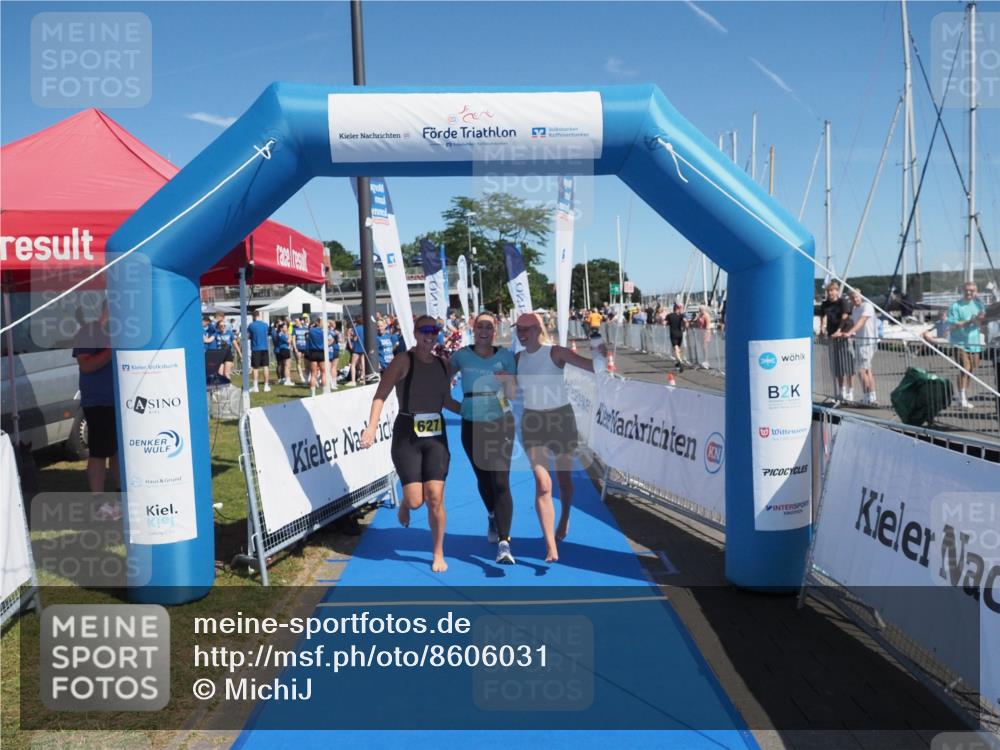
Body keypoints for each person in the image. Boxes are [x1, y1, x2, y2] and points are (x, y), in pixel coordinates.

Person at [360, 316, 461, 573]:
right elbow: (380, 394)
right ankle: (405, 503)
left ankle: (438, 552)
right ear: (415, 334)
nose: (430, 336)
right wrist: (371, 428)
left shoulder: (443, 365)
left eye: (434, 332)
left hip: (436, 437)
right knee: (417, 501)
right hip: (407, 435)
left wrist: (471, 411)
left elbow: (446, 400)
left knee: (436, 497)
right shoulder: (403, 361)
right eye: (424, 331)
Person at [514, 312, 604, 563]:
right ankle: (550, 545)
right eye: (518, 329)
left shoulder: (556, 352)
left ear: (538, 329)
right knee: (544, 484)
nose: (521, 333)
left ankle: (564, 516)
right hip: (533, 423)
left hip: (561, 420)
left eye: (526, 328)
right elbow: (508, 392)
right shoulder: (517, 358)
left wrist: (599, 350)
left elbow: (594, 367)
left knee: (564, 481)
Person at [449, 311, 518, 564]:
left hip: (501, 423)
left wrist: (507, 380)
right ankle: (491, 514)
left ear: (495, 329)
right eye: (480, 326)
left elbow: (512, 394)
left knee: (500, 480)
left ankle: (504, 542)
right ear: (473, 328)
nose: (484, 330)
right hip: (471, 424)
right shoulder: (461, 356)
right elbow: (440, 381)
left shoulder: (506, 357)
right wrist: (456, 406)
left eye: (489, 326)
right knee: (483, 477)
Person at [72, 302, 120, 520]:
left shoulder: (125, 331)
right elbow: (86, 365)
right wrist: (112, 349)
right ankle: (99, 504)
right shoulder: (88, 333)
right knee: (100, 452)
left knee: (118, 452)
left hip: (122, 402)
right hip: (99, 402)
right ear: (106, 310)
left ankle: (121, 500)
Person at [835, 289, 878, 405]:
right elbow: (853, 324)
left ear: (861, 296)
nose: (855, 299)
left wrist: (849, 333)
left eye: (857, 297)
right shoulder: (854, 309)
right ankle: (871, 397)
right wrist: (844, 332)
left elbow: (861, 322)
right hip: (860, 343)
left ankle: (867, 397)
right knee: (868, 370)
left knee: (861, 371)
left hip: (867, 342)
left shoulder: (867, 306)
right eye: (853, 298)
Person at [947, 282, 987, 409]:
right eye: (967, 290)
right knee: (965, 368)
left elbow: (983, 323)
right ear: (962, 291)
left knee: (970, 371)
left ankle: (960, 396)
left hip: (974, 343)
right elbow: (952, 326)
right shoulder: (955, 306)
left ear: (976, 292)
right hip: (960, 343)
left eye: (972, 291)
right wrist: (970, 320)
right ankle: (962, 397)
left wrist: (982, 321)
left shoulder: (979, 305)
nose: (969, 293)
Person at [819, 281, 855, 401]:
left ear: (837, 291)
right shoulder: (825, 304)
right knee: (838, 365)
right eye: (828, 291)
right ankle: (841, 391)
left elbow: (845, 317)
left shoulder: (843, 301)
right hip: (832, 336)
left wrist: (839, 331)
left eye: (832, 290)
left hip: (844, 334)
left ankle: (850, 391)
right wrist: (821, 330)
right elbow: (823, 316)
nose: (830, 293)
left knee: (848, 364)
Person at [246, 310, 271, 393]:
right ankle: (266, 386)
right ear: (259, 316)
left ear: (253, 316)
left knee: (255, 368)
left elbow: (248, 336)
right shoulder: (265, 325)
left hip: (256, 348)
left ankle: (255, 387)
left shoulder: (251, 325)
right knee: (265, 366)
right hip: (265, 348)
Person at [305, 317, 326, 396]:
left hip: (313, 352)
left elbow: (307, 336)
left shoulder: (311, 331)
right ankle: (324, 391)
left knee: (313, 373)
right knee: (323, 372)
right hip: (321, 352)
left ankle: (313, 393)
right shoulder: (323, 331)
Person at [665, 303, 688, 370]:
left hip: (673, 333)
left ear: (673, 308)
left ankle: (680, 361)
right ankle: (678, 361)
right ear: (678, 309)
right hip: (680, 333)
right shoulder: (681, 315)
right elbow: (685, 321)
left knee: (675, 348)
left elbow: (664, 323)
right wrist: (685, 328)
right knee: (678, 348)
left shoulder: (669, 315)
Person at [348, 316, 366, 386]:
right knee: (363, 364)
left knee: (353, 364)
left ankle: (353, 381)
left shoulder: (356, 328)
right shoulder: (365, 328)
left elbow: (355, 339)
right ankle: (363, 379)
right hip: (363, 348)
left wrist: (349, 337)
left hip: (357, 348)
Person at [291, 315, 310, 384]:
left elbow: (308, 337)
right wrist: (295, 348)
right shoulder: (294, 329)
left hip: (305, 348)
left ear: (300, 321)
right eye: (295, 321)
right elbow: (293, 339)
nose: (296, 322)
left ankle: (306, 376)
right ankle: (301, 376)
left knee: (306, 363)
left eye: (297, 321)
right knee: (299, 362)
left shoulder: (306, 328)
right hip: (298, 348)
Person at [272, 320, 291, 385]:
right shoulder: (277, 332)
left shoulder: (281, 333)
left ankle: (283, 378)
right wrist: (289, 335)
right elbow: (288, 340)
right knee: (281, 364)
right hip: (279, 349)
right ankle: (280, 378)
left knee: (284, 365)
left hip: (281, 349)